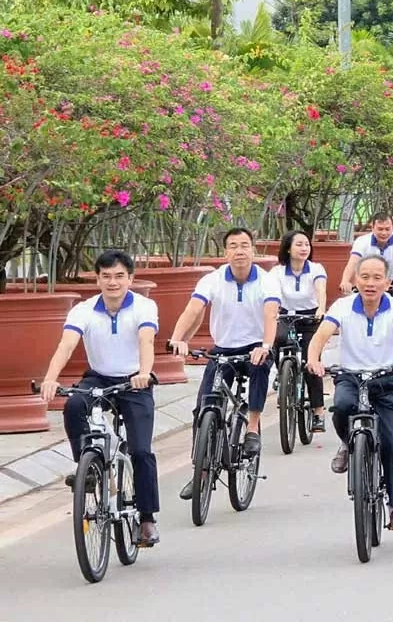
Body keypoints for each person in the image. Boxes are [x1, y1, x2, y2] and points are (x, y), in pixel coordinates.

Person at [38, 249, 162, 548]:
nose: (113, 282)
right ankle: (88, 468)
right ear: (97, 280)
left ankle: (146, 519)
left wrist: (144, 373)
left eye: (119, 276)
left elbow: (146, 340)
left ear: (130, 279)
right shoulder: (84, 310)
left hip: (134, 381)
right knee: (74, 405)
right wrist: (51, 378)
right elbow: (67, 345)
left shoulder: (144, 307)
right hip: (99, 377)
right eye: (106, 276)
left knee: (141, 451)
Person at [307, 254, 393, 532]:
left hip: (386, 381)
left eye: (377, 277)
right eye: (365, 277)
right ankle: (348, 444)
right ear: (356, 280)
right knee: (342, 406)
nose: (370, 283)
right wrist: (314, 358)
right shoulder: (343, 306)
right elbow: (321, 337)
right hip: (351, 377)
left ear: (387, 281)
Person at [169, 226, 279, 501]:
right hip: (223, 350)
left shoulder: (266, 281)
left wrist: (265, 346)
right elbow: (193, 309)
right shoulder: (212, 280)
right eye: (233, 246)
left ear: (253, 250)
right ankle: (201, 473)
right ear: (225, 252)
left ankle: (252, 426)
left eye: (244, 245)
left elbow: (270, 315)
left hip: (255, 347)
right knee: (204, 407)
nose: (239, 251)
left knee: (259, 367)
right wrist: (177, 338)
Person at [271, 229, 328, 432]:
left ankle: (318, 412)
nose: (304, 248)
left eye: (306, 244)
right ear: (287, 248)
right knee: (276, 337)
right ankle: (282, 374)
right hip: (286, 314)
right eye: (299, 244)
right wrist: (274, 312)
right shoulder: (277, 272)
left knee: (311, 362)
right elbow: (273, 295)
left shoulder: (316, 268)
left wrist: (321, 309)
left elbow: (321, 290)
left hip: (311, 317)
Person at [342, 213, 393, 307]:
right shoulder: (361, 241)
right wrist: (345, 281)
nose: (384, 233)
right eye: (380, 229)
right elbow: (352, 263)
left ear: (392, 227)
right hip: (368, 282)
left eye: (387, 229)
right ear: (372, 228)